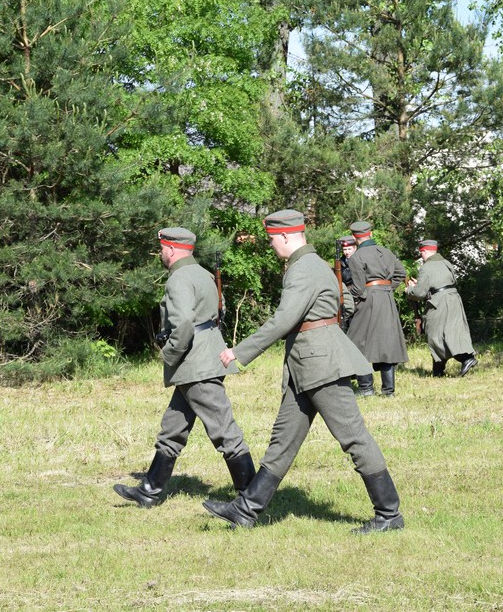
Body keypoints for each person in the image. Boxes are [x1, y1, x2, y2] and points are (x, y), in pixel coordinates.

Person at [203, 210, 404, 534]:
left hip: (320, 366)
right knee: (282, 442)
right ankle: (246, 509)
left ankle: (389, 514)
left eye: (271, 239)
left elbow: (283, 320)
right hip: (306, 366)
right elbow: (339, 307)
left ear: (285, 236)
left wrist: (238, 352)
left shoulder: (303, 269)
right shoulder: (317, 265)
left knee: (354, 438)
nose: (271, 245)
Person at [114, 227, 255, 508]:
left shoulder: (178, 278)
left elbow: (184, 325)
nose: (161, 254)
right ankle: (149, 491)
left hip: (194, 363)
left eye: (162, 249)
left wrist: (170, 353)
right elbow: (218, 309)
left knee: (224, 430)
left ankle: (252, 497)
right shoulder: (203, 274)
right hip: (205, 357)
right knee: (173, 428)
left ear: (171, 249)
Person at [344, 221, 408, 397]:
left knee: (357, 342)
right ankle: (389, 391)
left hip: (368, 299)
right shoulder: (387, 252)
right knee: (387, 342)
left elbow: (358, 288)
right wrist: (387, 288)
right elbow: (401, 274)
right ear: (370, 234)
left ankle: (366, 389)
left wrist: (346, 296)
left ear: (355, 238)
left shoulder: (356, 257)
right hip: (387, 298)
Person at [406, 239, 477, 377]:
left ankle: (466, 358)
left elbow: (419, 293)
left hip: (439, 303)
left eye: (421, 253)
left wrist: (409, 289)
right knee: (451, 333)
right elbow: (444, 283)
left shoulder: (426, 267)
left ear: (424, 251)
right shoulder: (446, 263)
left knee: (435, 335)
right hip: (454, 299)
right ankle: (438, 371)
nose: (421, 256)